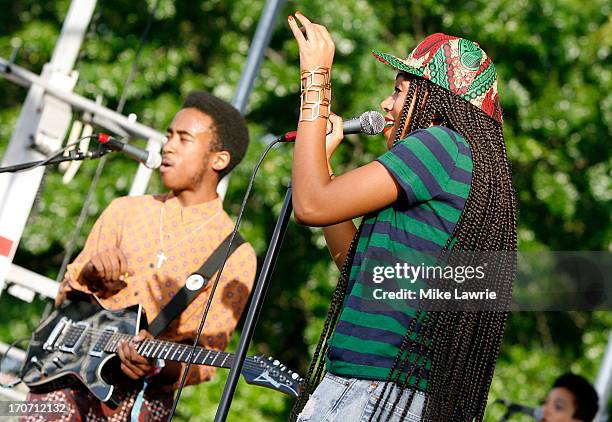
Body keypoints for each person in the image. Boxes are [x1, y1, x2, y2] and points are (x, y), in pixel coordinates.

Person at [287, 12, 516, 422]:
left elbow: (309, 205)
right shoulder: (458, 162)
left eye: (398, 91)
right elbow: (353, 266)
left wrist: (316, 83)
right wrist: (321, 164)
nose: (386, 104)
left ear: (432, 100)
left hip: (371, 390)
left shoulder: (440, 145)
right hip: (384, 389)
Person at [23, 91, 257, 421]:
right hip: (65, 379)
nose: (168, 146)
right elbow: (66, 297)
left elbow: (205, 359)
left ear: (218, 159)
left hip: (138, 402)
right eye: (169, 135)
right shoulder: (126, 210)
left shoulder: (236, 255)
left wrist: (155, 363)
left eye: (184, 138)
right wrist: (92, 274)